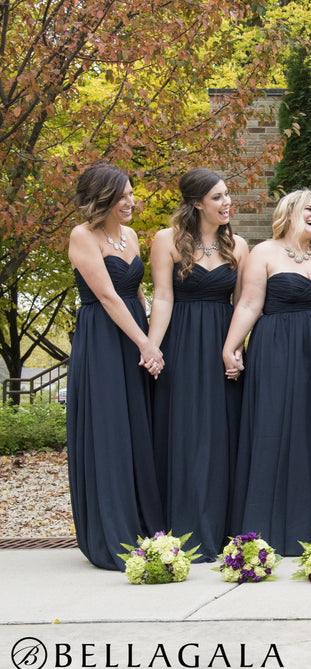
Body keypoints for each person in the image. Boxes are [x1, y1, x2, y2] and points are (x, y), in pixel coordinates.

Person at [223, 188, 311, 556]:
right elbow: (250, 303)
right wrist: (231, 346)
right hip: (277, 351)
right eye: (308, 208)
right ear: (289, 213)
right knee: (274, 430)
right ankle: (267, 525)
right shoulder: (264, 252)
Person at [66, 163, 165, 570]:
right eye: (124, 195)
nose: (132, 201)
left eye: (131, 193)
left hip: (134, 337)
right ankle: (111, 530)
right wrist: (145, 344)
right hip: (103, 340)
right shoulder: (82, 236)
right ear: (103, 197)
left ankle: (143, 522)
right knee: (108, 430)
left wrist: (150, 340)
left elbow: (135, 292)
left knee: (136, 427)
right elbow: (106, 297)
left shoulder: (132, 237)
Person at [148, 168, 248, 560]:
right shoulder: (165, 240)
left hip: (222, 342)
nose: (227, 203)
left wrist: (236, 348)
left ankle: (223, 527)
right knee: (185, 432)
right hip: (183, 342)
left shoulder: (239, 246)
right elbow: (162, 298)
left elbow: (242, 305)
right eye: (218, 197)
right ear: (196, 203)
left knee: (221, 434)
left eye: (227, 195)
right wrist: (153, 348)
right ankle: (183, 526)